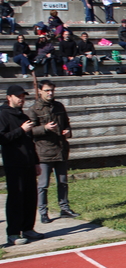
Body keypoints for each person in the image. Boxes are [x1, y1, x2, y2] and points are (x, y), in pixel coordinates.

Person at [25, 80, 79, 225]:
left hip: (61, 149)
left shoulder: (59, 106)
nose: (50, 93)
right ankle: (43, 212)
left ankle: (64, 208)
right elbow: (29, 131)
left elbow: (67, 123)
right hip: (44, 152)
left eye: (52, 90)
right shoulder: (34, 109)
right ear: (40, 91)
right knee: (43, 185)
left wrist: (68, 132)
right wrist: (45, 128)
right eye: (47, 90)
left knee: (62, 182)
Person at [0, 85, 43, 246]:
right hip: (14, 163)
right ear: (9, 97)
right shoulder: (3, 114)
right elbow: (2, 138)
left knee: (30, 197)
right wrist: (21, 130)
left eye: (23, 96)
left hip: (28, 163)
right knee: (16, 198)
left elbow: (30, 142)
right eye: (18, 96)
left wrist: (36, 162)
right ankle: (13, 232)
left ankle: (27, 228)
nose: (21, 99)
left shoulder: (23, 115)